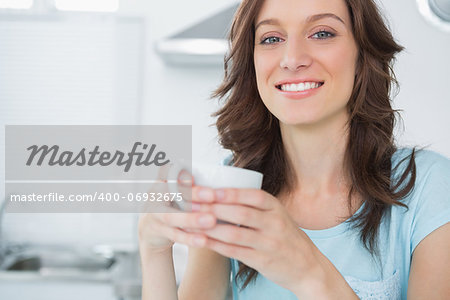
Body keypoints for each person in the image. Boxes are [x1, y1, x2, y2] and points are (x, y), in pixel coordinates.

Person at [138, 0, 450, 299]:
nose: (292, 58)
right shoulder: (233, 187)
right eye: (271, 38)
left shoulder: (429, 188)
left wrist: (309, 273)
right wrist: (154, 252)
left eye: (322, 33)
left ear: (361, 54)